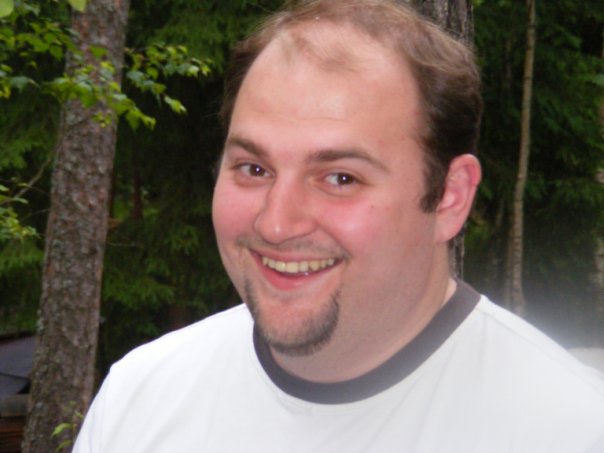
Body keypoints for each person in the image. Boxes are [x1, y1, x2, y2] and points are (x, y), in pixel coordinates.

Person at [73, 1, 604, 452]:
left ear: (450, 197)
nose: (276, 223)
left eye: (340, 178)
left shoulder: (567, 428)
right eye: (254, 169)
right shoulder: (140, 401)